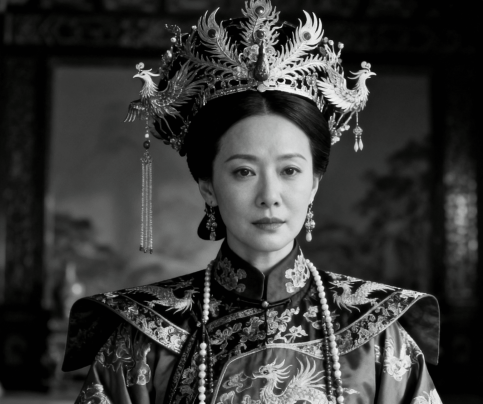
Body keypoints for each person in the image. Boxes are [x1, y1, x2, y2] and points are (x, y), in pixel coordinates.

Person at [62, 2, 442, 403]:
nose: (269, 197)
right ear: (208, 186)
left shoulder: (378, 333)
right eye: (244, 172)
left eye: (290, 170)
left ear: (314, 184)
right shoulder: (142, 335)